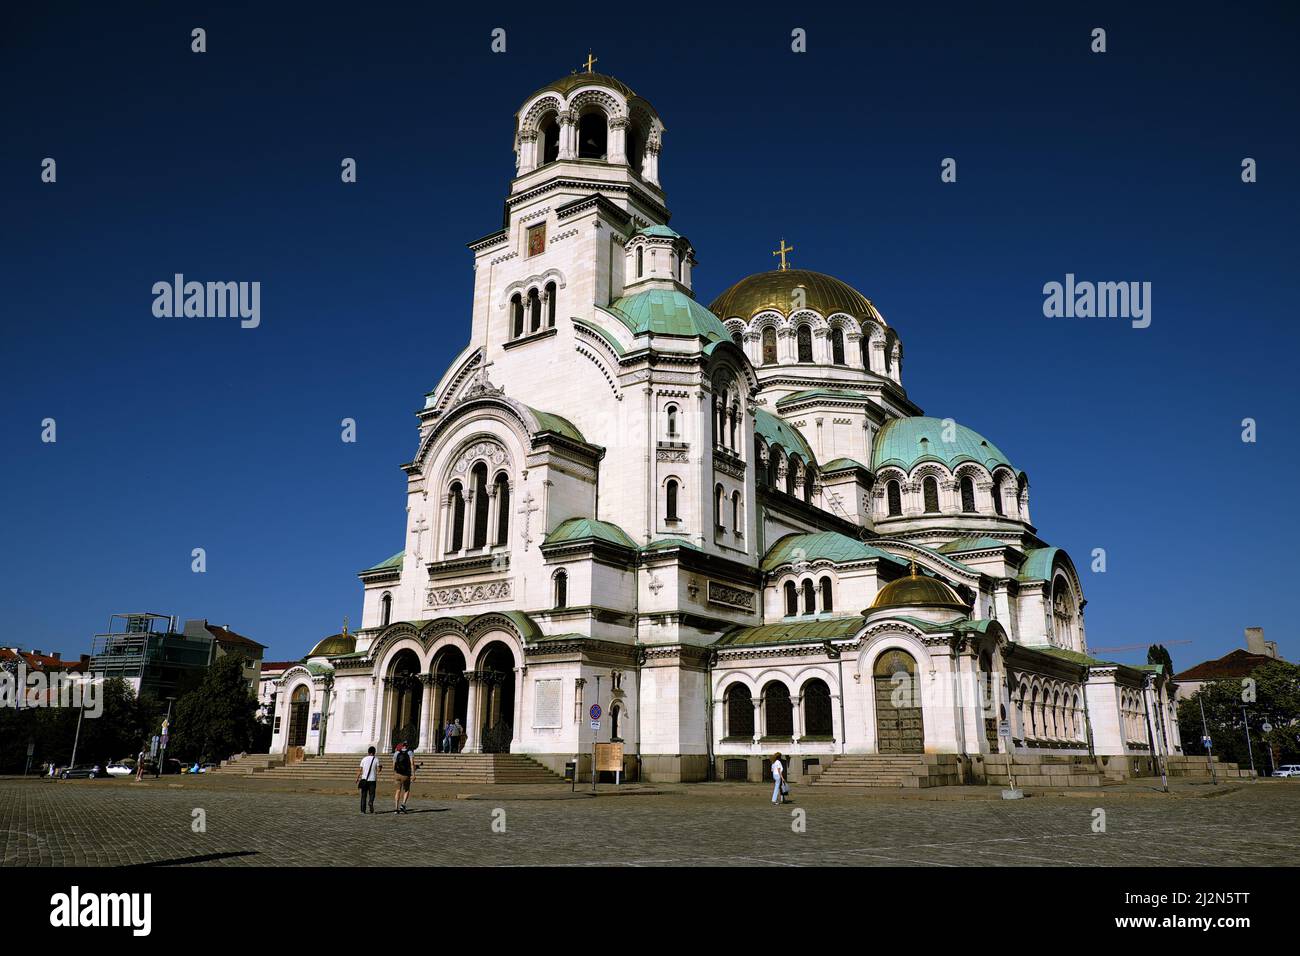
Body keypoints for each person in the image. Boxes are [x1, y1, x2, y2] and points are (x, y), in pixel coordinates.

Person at [356, 746, 380, 814]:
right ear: (374, 752)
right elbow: (378, 770)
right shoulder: (376, 759)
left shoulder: (364, 759)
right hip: (372, 779)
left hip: (364, 779)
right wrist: (380, 768)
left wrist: (357, 778)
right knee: (372, 794)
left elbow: (360, 770)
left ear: (368, 752)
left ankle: (363, 810)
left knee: (363, 795)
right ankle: (371, 802)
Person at [392, 741, 413, 813]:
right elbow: (412, 763)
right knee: (406, 790)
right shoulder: (410, 752)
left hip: (397, 774)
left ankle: (396, 808)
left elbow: (393, 764)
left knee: (398, 790)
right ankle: (403, 805)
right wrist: (413, 774)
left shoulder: (396, 753)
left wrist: (394, 772)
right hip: (406, 774)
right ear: (407, 746)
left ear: (402, 746)